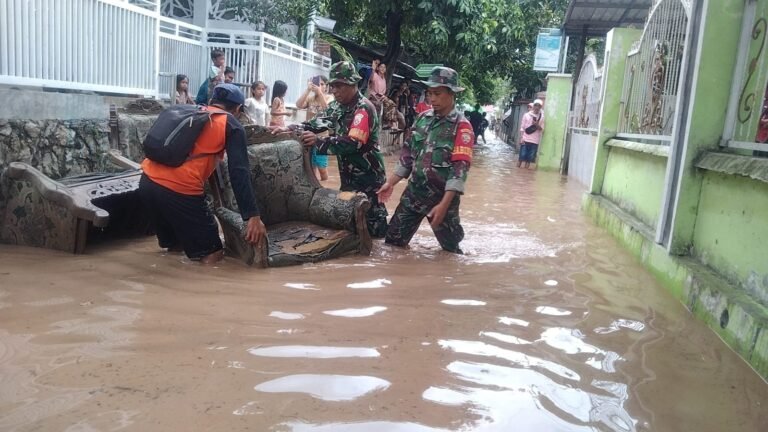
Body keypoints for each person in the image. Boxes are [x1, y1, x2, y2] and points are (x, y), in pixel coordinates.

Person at [139, 83, 266, 264]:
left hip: (147, 182)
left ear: (212, 101)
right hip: (179, 191)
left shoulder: (187, 111)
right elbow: (239, 173)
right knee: (213, 254)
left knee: (176, 247)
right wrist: (252, 216)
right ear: (237, 109)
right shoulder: (230, 124)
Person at [377, 66, 474, 254]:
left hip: (442, 199)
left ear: (452, 93)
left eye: (437, 93)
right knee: (392, 244)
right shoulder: (422, 119)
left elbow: (459, 171)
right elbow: (407, 157)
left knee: (451, 252)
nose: (432, 99)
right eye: (430, 93)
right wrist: (390, 183)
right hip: (414, 194)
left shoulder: (462, 127)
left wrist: (444, 205)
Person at [298, 61, 388, 237]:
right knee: (350, 222)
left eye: (339, 86)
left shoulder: (363, 108)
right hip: (348, 177)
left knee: (374, 229)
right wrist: (290, 129)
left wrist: (318, 142)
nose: (334, 91)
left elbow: (353, 142)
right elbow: (315, 123)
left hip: (368, 178)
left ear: (352, 84)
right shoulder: (337, 107)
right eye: (332, 86)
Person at [296, 76, 333, 181]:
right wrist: (308, 90)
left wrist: (320, 93)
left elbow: (328, 110)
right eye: (317, 84)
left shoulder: (330, 98)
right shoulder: (310, 98)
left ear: (326, 87)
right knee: (311, 168)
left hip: (322, 138)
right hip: (308, 137)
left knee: (322, 169)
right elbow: (298, 105)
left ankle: (326, 190)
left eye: (322, 84)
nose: (319, 86)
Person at [518, 98, 544, 169]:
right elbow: (522, 127)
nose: (537, 107)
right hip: (525, 139)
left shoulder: (542, 117)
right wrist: (521, 138)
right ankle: (518, 170)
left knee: (529, 158)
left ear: (540, 107)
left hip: (535, 141)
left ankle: (525, 173)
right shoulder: (526, 115)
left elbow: (542, 129)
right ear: (533, 106)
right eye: (536, 105)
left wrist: (536, 124)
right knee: (521, 157)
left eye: (539, 106)